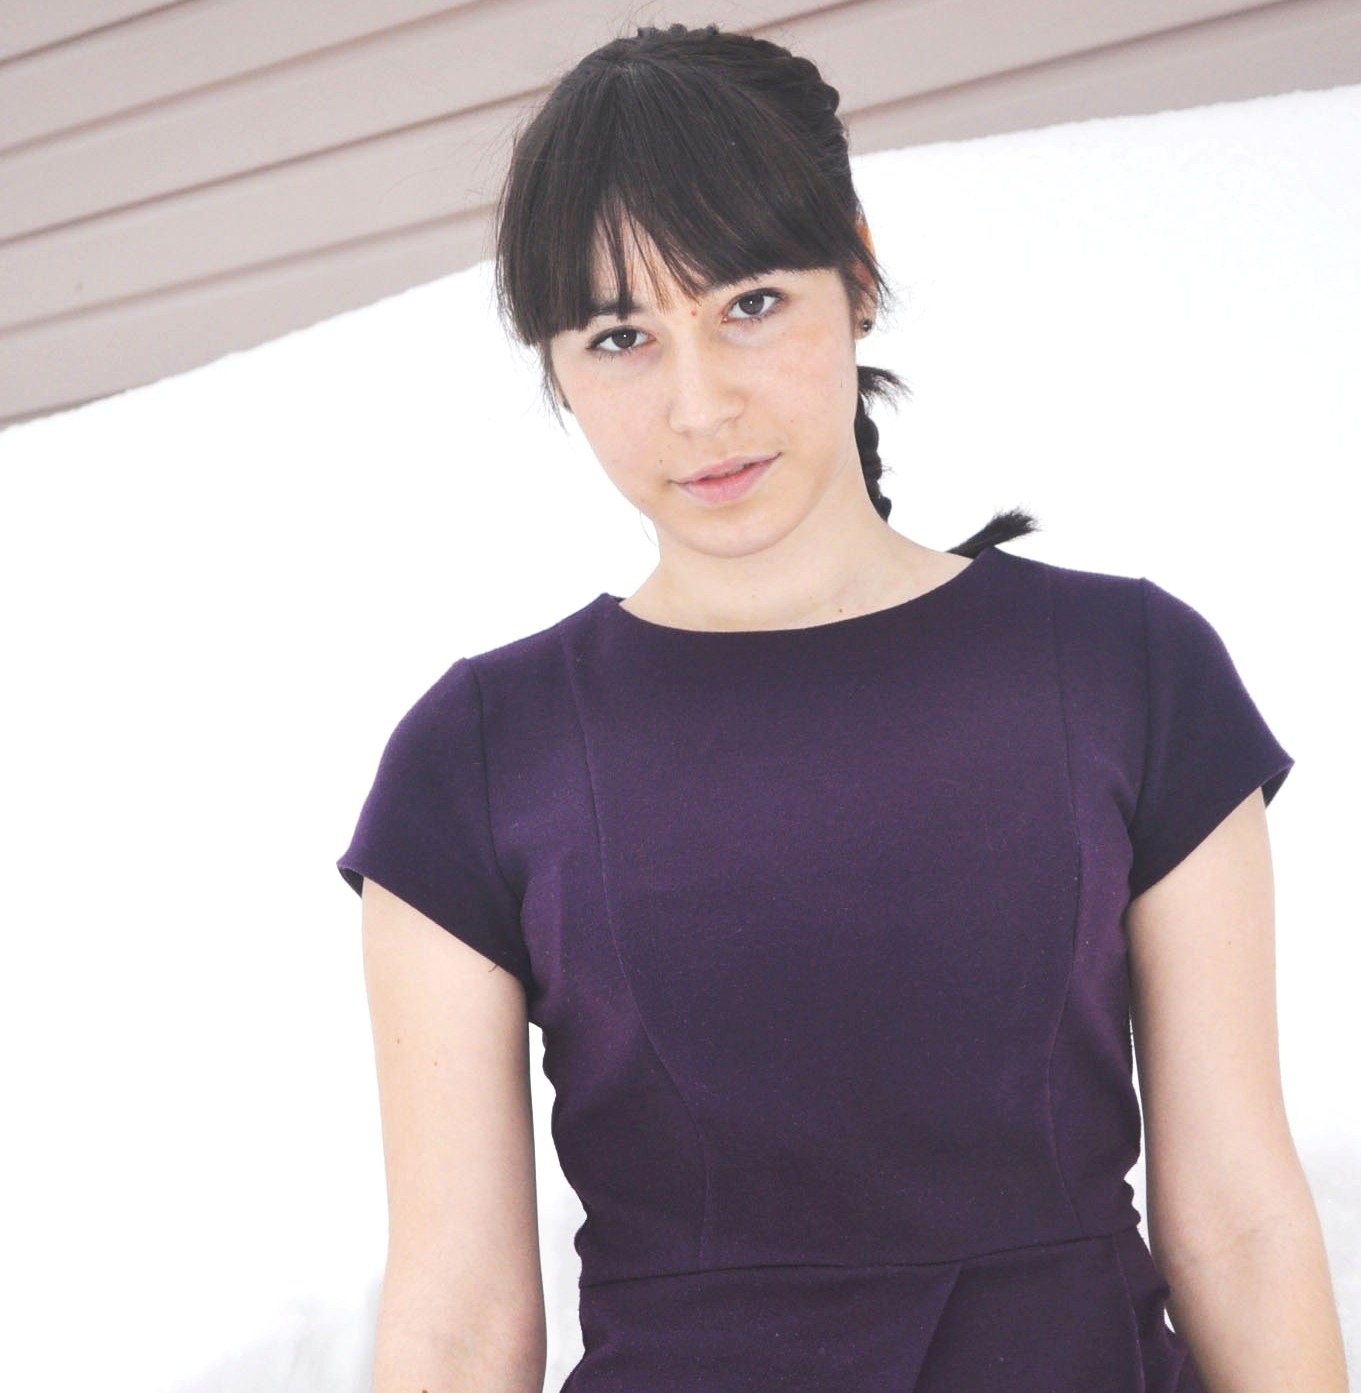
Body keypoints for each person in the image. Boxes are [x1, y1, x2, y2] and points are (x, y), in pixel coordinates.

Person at [337, 22, 1348, 1393]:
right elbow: (457, 1321)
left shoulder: (1130, 671)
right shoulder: (475, 762)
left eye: (749, 303)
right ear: (555, 365)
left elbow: (1239, 1222)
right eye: (622, 336)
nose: (699, 405)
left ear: (855, 275)